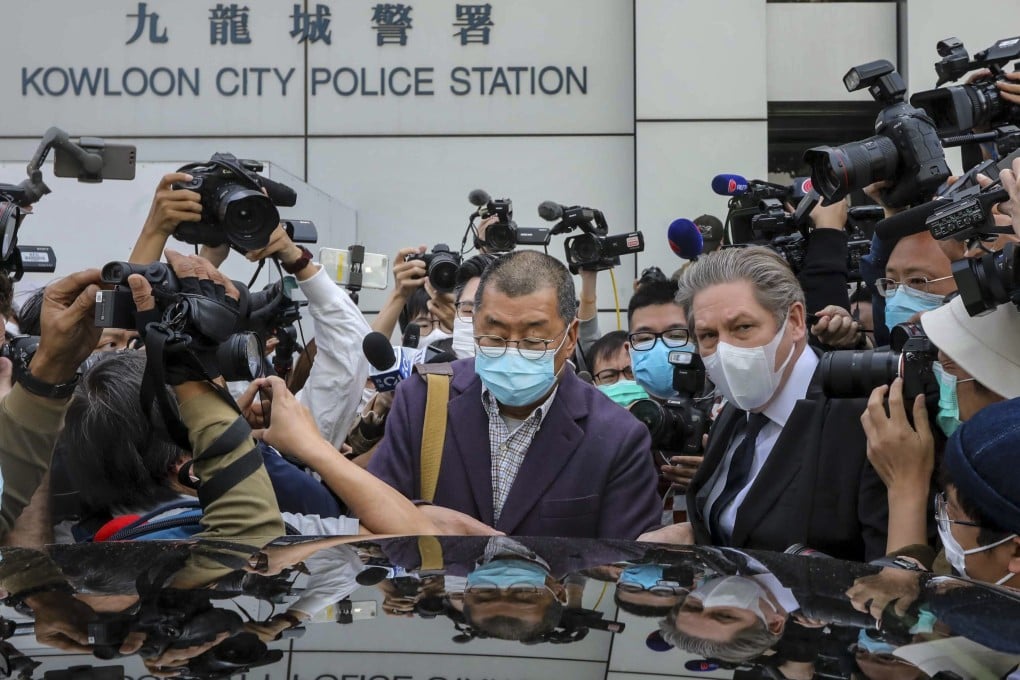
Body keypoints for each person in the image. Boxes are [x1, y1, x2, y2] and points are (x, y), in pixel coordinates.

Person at [367, 249, 661, 538]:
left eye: (533, 339)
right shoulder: (422, 400)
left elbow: (624, 567)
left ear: (570, 338)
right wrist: (419, 519)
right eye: (495, 336)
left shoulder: (616, 436)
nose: (512, 350)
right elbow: (372, 513)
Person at [659, 246, 888, 561]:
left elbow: (886, 571)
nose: (725, 350)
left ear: (794, 321)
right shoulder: (737, 410)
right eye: (708, 335)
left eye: (743, 328)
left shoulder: (863, 418)